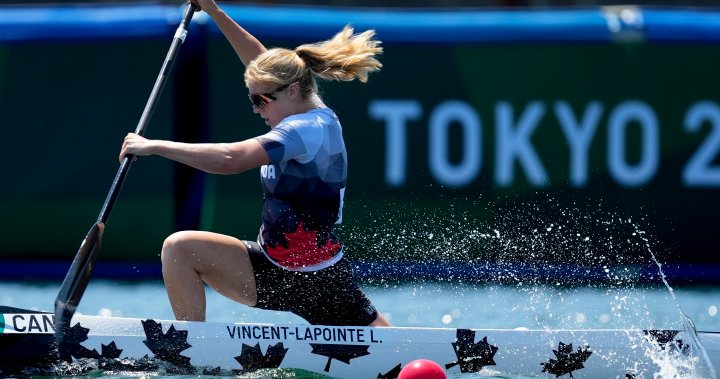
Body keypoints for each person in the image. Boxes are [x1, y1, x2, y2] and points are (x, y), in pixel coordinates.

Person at [119, 0, 391, 327]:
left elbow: (231, 159)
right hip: (270, 269)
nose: (256, 109)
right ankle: (191, 355)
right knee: (178, 249)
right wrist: (215, 11)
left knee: (401, 366)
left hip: (319, 282)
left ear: (291, 92)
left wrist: (154, 146)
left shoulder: (308, 129)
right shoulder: (299, 99)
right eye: (252, 99)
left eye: (262, 100)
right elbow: (260, 59)